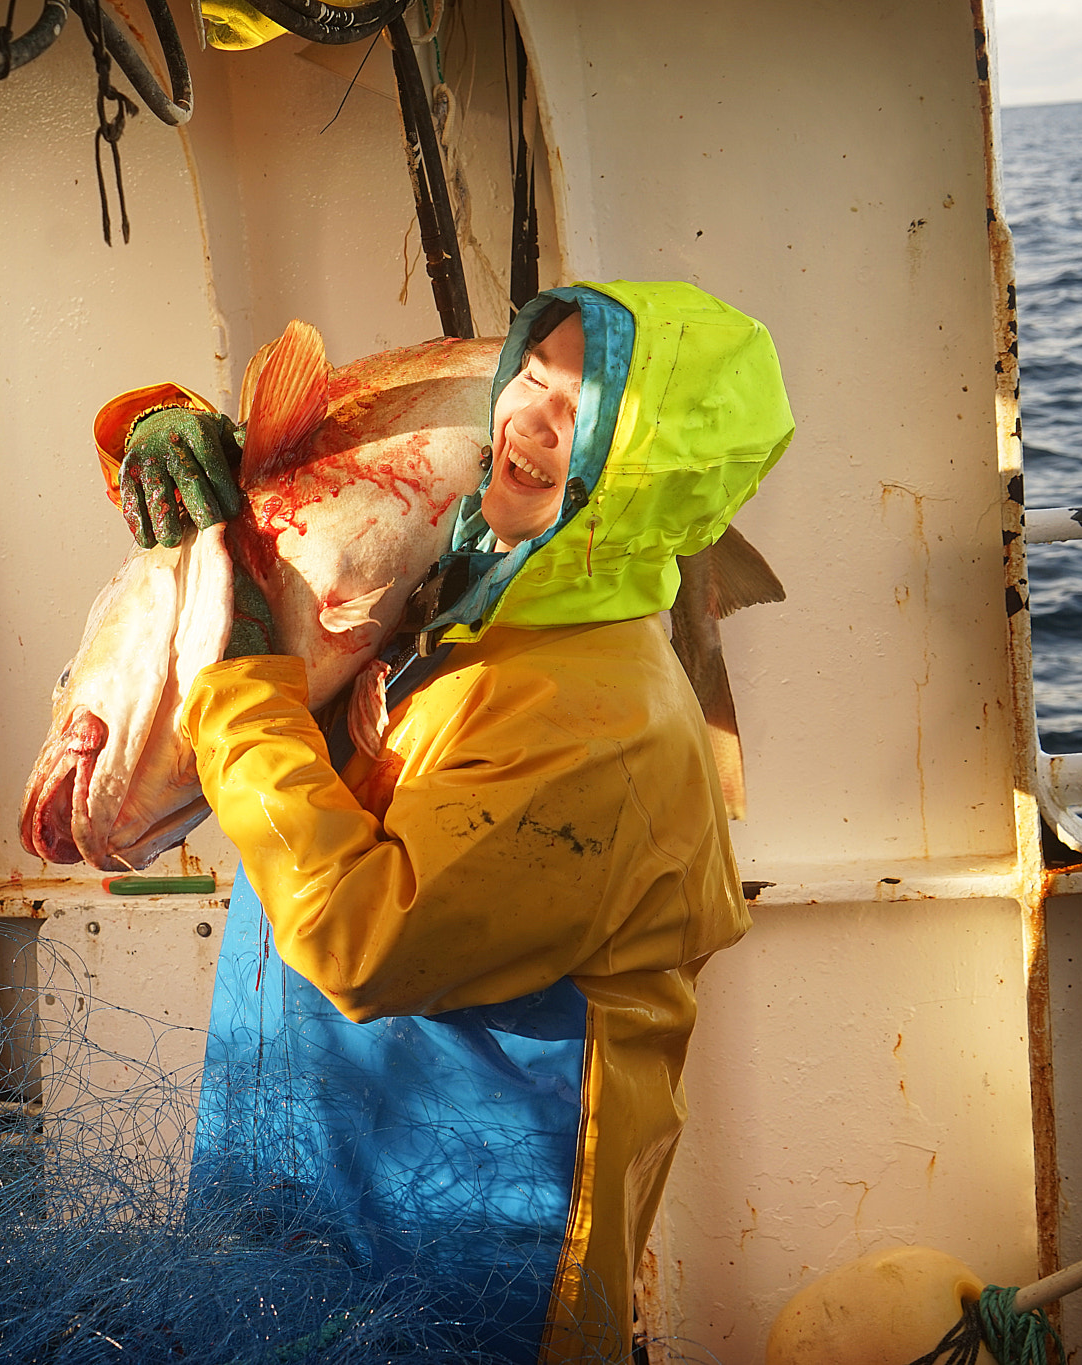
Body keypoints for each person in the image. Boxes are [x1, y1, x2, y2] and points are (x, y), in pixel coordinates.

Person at [104, 282, 794, 1361]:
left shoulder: (595, 721)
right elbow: (321, 466)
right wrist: (159, 432)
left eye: (579, 409)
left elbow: (358, 940)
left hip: (474, 1243)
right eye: (529, 372)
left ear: (635, 470)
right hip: (309, 1158)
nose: (524, 416)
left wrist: (237, 683)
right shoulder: (467, 592)